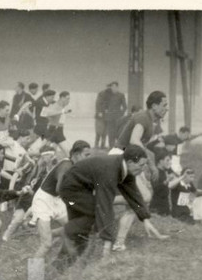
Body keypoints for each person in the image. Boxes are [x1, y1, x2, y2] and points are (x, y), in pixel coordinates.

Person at [57, 145, 167, 260]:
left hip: (83, 188)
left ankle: (68, 258)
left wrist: (145, 219)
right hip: (71, 189)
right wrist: (108, 242)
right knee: (94, 214)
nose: (143, 169)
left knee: (83, 233)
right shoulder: (110, 171)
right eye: (141, 165)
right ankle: (68, 234)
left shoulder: (124, 168)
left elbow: (134, 195)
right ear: (130, 162)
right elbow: (104, 205)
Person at [110, 90, 169, 249]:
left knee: (143, 198)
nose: (166, 108)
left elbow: (142, 147)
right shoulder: (143, 117)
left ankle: (128, 239)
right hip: (120, 157)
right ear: (154, 106)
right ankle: (119, 240)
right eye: (164, 105)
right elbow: (134, 140)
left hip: (129, 159)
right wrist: (150, 163)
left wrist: (151, 160)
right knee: (142, 197)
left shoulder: (151, 121)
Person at [17, 140, 91, 258]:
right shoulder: (66, 165)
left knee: (75, 228)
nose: (88, 159)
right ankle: (34, 276)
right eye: (86, 155)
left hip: (56, 200)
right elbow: (59, 189)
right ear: (76, 155)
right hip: (44, 201)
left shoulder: (76, 166)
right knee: (46, 245)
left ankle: (49, 235)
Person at [105, 82, 128, 147]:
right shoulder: (108, 95)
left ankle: (118, 147)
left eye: (115, 87)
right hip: (110, 117)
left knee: (118, 133)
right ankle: (110, 147)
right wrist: (107, 111)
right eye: (112, 87)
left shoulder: (121, 95)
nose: (113, 88)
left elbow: (125, 106)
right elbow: (105, 104)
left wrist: (121, 114)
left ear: (117, 87)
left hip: (118, 118)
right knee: (110, 133)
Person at [94, 83, 113, 150]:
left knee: (105, 131)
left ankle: (102, 145)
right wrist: (99, 112)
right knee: (99, 131)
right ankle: (96, 145)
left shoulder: (112, 94)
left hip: (107, 116)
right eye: (109, 86)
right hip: (100, 116)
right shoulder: (102, 93)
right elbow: (98, 103)